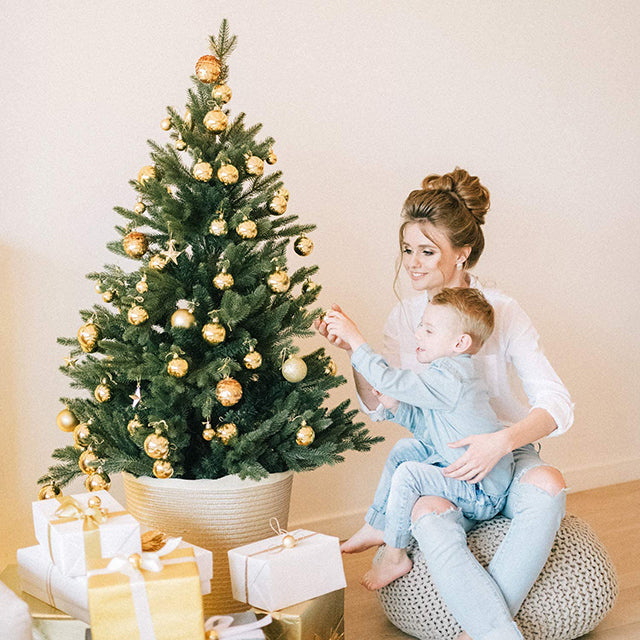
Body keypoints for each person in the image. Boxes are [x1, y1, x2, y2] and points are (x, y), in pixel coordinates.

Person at [316, 167, 573, 640]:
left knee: (549, 486)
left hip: (507, 455)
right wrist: (352, 351)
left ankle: (483, 631)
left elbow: (556, 403)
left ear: (463, 253)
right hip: (445, 458)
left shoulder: (502, 310)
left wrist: (501, 442)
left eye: (428, 252)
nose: (413, 264)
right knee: (425, 513)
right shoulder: (405, 316)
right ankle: (494, 629)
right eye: (408, 250)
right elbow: (384, 402)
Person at [324, 287, 515, 594]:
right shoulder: (446, 374)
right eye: (420, 325)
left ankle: (395, 555)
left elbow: (388, 378)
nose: (418, 333)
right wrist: (397, 407)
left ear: (459, 343)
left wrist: (355, 339)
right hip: (460, 466)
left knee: (409, 474)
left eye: (428, 329)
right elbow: (429, 430)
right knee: (405, 449)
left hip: (481, 490)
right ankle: (378, 523)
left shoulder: (452, 377)